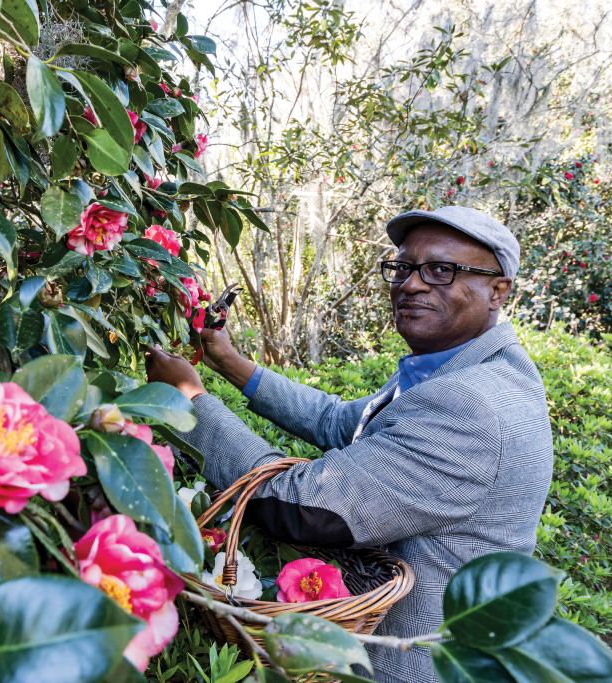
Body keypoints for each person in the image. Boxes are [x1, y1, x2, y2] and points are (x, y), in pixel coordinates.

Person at [145, 206, 554, 683]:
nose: (411, 284)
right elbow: (341, 420)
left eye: (441, 270)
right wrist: (229, 361)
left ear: (497, 290)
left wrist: (187, 400)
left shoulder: (472, 404)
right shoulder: (456, 368)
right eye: (402, 267)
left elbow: (301, 504)